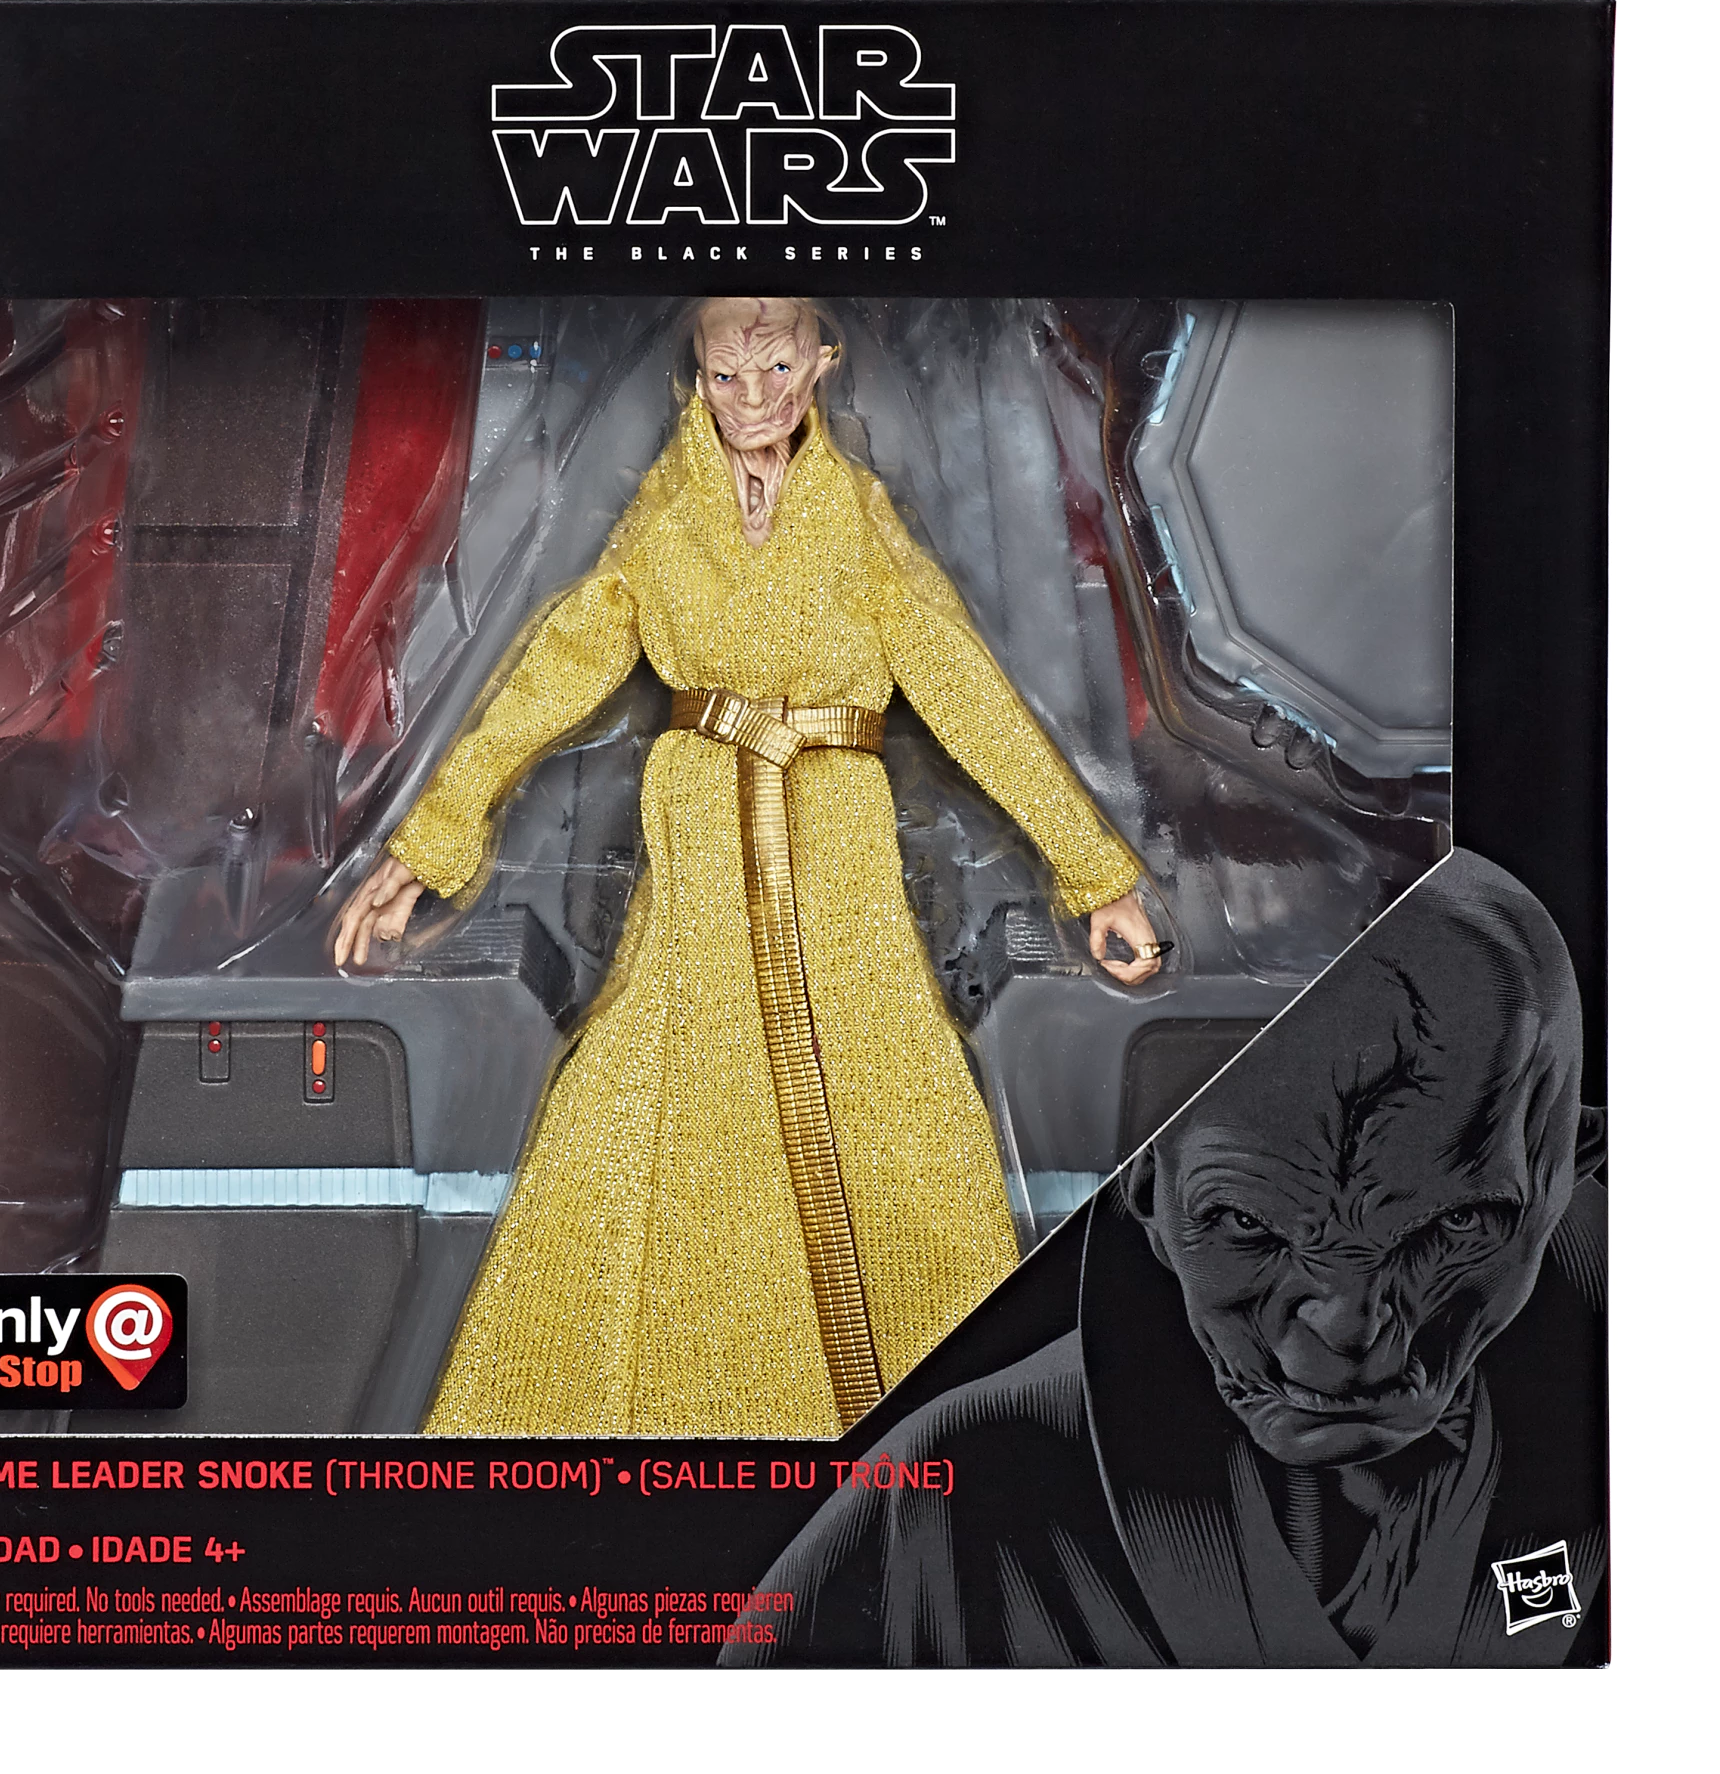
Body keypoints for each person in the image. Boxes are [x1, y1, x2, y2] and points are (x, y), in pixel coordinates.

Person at [334, 297, 1161, 1438]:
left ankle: (951, 1433)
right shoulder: (664, 514)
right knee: (640, 1098)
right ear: (696, 374)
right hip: (700, 832)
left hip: (836, 835)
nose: (754, 396)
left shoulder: (858, 516)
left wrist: (1094, 872)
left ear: (823, 361)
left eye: (777, 366)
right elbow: (554, 668)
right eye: (728, 373)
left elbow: (961, 683)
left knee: (888, 1090)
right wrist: (428, 840)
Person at [725, 849, 1605, 1663]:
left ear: (1574, 1166)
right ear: (1142, 1182)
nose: (1342, 1335)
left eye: (1453, 1228)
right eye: (1248, 1226)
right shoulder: (940, 1511)